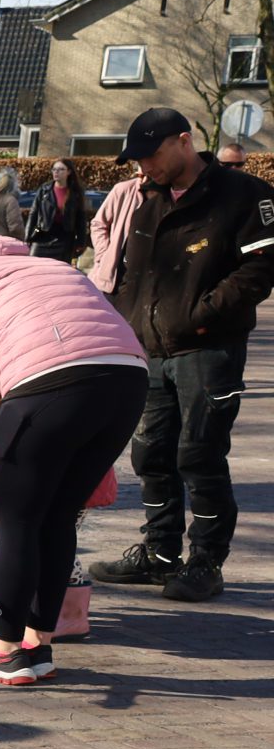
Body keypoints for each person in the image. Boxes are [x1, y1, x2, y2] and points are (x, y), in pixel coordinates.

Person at [0, 196, 146, 682]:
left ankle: (5, 649)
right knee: (58, 517)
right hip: (127, 377)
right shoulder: (39, 262)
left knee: (18, 521)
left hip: (50, 382)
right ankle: (39, 647)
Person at [88, 106, 274, 602]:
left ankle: (206, 561)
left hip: (209, 349)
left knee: (200, 454)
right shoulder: (147, 198)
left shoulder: (243, 194)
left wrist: (202, 314)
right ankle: (160, 553)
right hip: (149, 349)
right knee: (150, 454)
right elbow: (132, 272)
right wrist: (124, 322)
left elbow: (260, 270)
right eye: (138, 159)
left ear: (184, 141)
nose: (144, 166)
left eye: (151, 155)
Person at [23, 159, 91, 263]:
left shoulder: (75, 192)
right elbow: (34, 213)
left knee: (59, 269)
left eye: (61, 169)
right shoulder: (44, 189)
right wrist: (28, 235)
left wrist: (81, 241)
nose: (56, 172)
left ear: (69, 172)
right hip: (41, 235)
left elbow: (80, 218)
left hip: (64, 239)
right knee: (34, 265)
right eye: (54, 169)